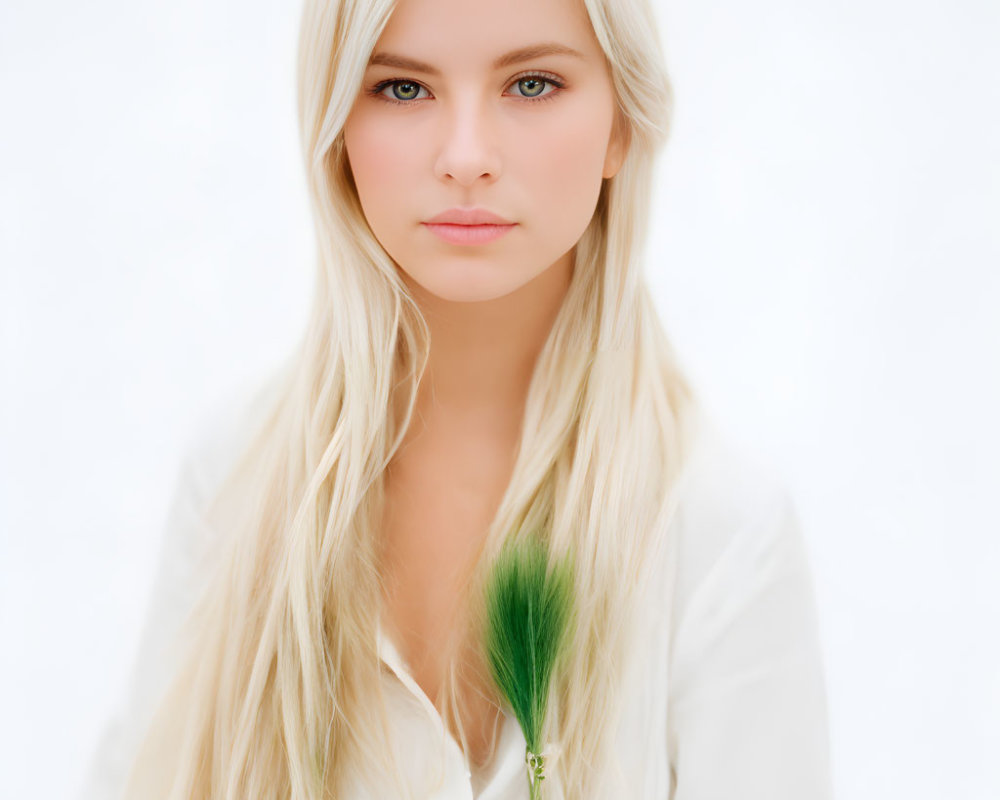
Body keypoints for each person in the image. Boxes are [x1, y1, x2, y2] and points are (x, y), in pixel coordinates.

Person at [81, 0, 833, 797]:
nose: (466, 157)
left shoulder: (722, 538)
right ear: (336, 125)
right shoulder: (233, 475)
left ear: (621, 121)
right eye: (403, 90)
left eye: (533, 84)